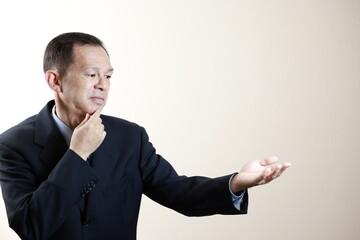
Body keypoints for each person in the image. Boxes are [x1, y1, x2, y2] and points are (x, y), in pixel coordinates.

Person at [0, 32, 291, 240]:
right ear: (55, 80)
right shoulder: (13, 145)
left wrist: (238, 181)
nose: (103, 85)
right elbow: (31, 226)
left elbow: (181, 193)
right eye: (91, 75)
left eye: (109, 76)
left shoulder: (129, 137)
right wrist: (77, 155)